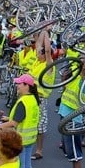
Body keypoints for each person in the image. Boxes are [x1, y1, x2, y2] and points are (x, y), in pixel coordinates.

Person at [2, 73, 40, 168]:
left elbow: (14, 123)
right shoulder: (33, 100)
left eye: (19, 83)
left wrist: (0, 126)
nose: (17, 86)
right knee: (28, 167)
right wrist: (9, 119)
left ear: (26, 86)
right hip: (30, 139)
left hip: (20, 140)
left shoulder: (23, 101)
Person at [28, 30, 54, 160]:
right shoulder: (37, 62)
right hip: (29, 97)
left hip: (41, 99)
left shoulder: (48, 66)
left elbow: (47, 50)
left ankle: (39, 150)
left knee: (40, 126)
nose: (37, 53)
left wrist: (47, 37)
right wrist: (44, 30)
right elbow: (39, 45)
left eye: (39, 53)